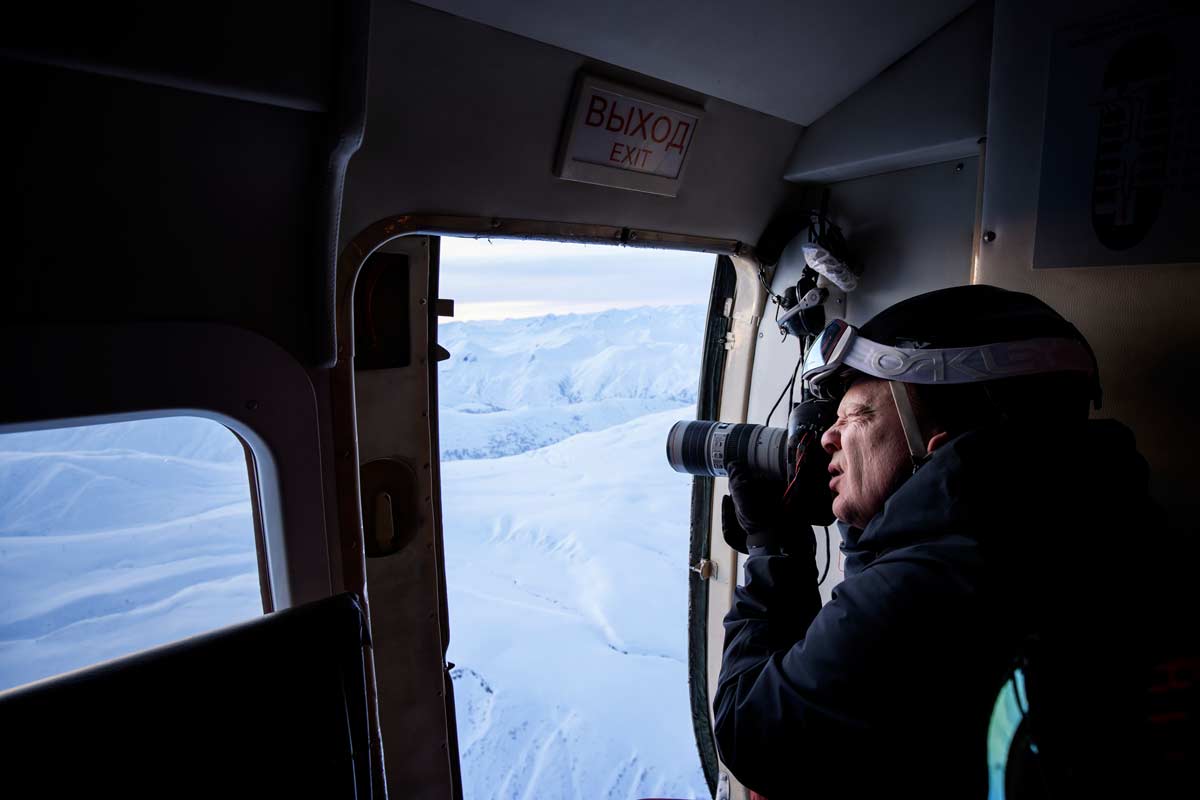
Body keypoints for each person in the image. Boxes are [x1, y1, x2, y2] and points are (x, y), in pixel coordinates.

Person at [712, 285, 1186, 798]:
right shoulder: (1073, 519)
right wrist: (867, 518)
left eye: (854, 416)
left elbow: (750, 733)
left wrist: (772, 550)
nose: (828, 436)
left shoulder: (936, 581)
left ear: (939, 435)